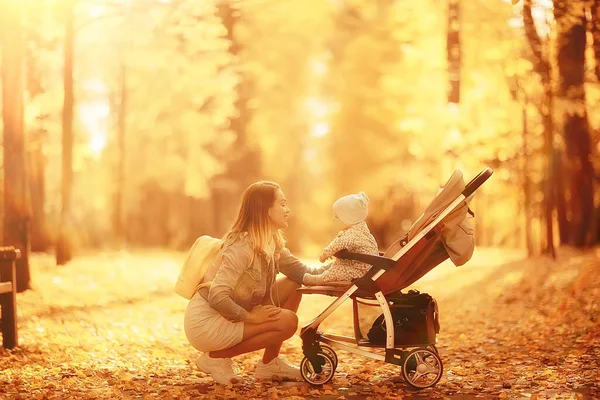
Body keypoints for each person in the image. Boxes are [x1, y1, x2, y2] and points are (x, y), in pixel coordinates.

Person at [184, 181, 323, 384]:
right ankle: (216, 358)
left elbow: (305, 273)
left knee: (295, 284)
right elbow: (217, 296)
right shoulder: (242, 247)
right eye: (282, 204)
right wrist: (251, 317)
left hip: (231, 314)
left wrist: (348, 268)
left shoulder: (272, 244)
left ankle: (269, 364)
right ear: (265, 210)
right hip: (206, 322)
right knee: (287, 322)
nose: (287, 210)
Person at [303, 192, 379, 286]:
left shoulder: (353, 233)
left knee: (339, 270)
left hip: (360, 271)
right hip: (366, 267)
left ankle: (321, 279)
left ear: (348, 218)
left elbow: (338, 243)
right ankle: (322, 275)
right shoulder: (360, 229)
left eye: (336, 217)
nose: (333, 219)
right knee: (339, 265)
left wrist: (325, 254)